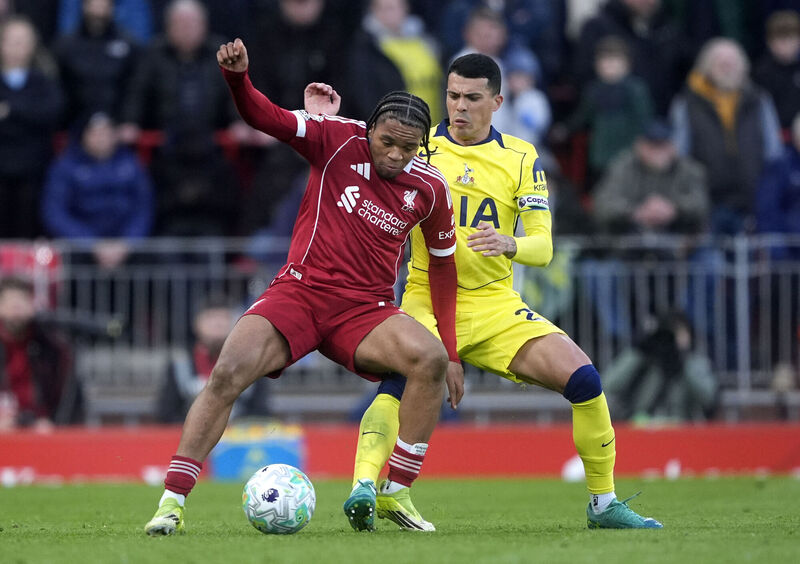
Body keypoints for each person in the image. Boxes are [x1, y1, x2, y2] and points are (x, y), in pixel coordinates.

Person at [322, 54, 662, 532]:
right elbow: (357, 150)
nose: (459, 107)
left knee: (585, 381)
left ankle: (603, 504)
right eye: (453, 95)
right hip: (425, 296)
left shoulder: (521, 157)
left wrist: (511, 242)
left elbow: (543, 247)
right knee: (397, 386)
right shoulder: (419, 148)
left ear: (497, 102)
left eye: (472, 98)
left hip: (495, 304)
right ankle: (363, 487)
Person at [143, 37, 462, 536]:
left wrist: (455, 348)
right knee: (227, 373)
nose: (396, 154)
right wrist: (237, 79)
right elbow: (264, 117)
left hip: (365, 311)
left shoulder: (431, 187)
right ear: (370, 128)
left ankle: (397, 492)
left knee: (432, 360)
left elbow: (444, 268)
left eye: (408, 146)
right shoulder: (335, 137)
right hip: (300, 293)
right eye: (387, 142)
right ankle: (171, 502)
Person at [670, 37, 784, 235]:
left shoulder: (760, 100)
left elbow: (773, 151)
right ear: (706, 66)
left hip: (753, 199)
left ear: (743, 66)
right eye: (720, 62)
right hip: (706, 201)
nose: (727, 67)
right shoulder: (686, 103)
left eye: (732, 62)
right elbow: (679, 153)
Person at [41, 111, 154, 270]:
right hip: (81, 249)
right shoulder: (66, 166)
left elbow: (143, 208)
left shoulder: (131, 164)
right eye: (95, 133)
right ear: (83, 136)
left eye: (107, 132)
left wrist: (128, 242)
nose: (101, 138)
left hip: (125, 248)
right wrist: (90, 244)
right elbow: (55, 212)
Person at [556, 35, 653, 186]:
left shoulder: (635, 89)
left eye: (614, 61)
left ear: (627, 64)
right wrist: (564, 129)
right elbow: (583, 116)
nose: (608, 66)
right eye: (604, 61)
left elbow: (644, 121)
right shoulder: (593, 90)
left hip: (628, 155)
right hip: (599, 154)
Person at [156, 297, 269, 423]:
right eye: (211, 318)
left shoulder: (252, 364)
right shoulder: (179, 365)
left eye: (224, 318)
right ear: (197, 324)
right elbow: (166, 415)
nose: (218, 324)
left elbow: (262, 414)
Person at [0, 16, 63, 239]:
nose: (18, 48)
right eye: (12, 41)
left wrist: (11, 112)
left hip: (34, 170)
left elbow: (49, 113)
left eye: (23, 41)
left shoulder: (43, 81)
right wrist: (26, 115)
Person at [603, 310, 717, 422]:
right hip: (641, 427)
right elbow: (608, 385)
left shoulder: (695, 363)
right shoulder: (644, 359)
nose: (672, 339)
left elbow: (709, 397)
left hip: (681, 428)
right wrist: (639, 352)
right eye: (670, 333)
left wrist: (683, 361)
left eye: (679, 332)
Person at [0, 277, 72, 431]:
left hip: (41, 427)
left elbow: (64, 394)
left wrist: (51, 421)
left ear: (32, 306)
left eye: (22, 301)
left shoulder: (50, 346)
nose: (16, 308)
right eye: (9, 302)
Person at [53, 0, 140, 126]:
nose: (98, 12)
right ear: (84, 6)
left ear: (112, 8)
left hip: (117, 127)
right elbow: (59, 89)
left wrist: (129, 119)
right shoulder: (64, 47)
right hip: (75, 127)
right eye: (93, 4)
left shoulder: (130, 46)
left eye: (103, 5)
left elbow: (135, 89)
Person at [753, 10, 800, 132]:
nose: (785, 44)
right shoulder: (761, 72)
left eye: (790, 38)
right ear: (769, 42)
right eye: (780, 39)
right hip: (776, 134)